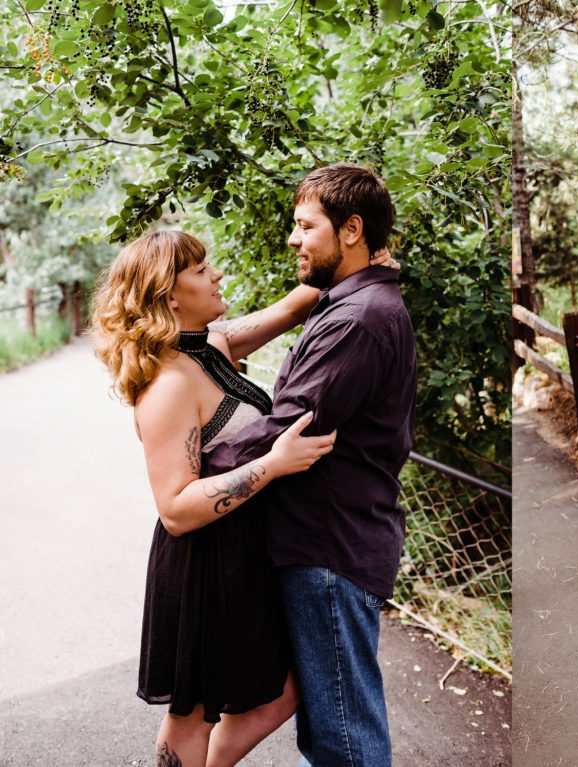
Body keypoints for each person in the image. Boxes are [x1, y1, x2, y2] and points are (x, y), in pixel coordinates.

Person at [91, 230, 397, 766]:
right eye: (201, 270)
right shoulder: (168, 385)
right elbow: (176, 509)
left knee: (284, 689)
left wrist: (365, 259)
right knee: (193, 709)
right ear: (168, 294)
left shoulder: (213, 343)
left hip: (245, 552)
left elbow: (297, 303)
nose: (217, 275)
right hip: (202, 562)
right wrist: (272, 465)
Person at [201, 163, 416, 766]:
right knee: (327, 728)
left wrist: (197, 472)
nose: (293, 239)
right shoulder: (349, 301)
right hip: (323, 540)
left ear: (351, 230)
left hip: (330, 545)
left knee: (343, 738)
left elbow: (288, 428)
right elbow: (222, 344)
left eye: (304, 226)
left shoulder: (358, 319)